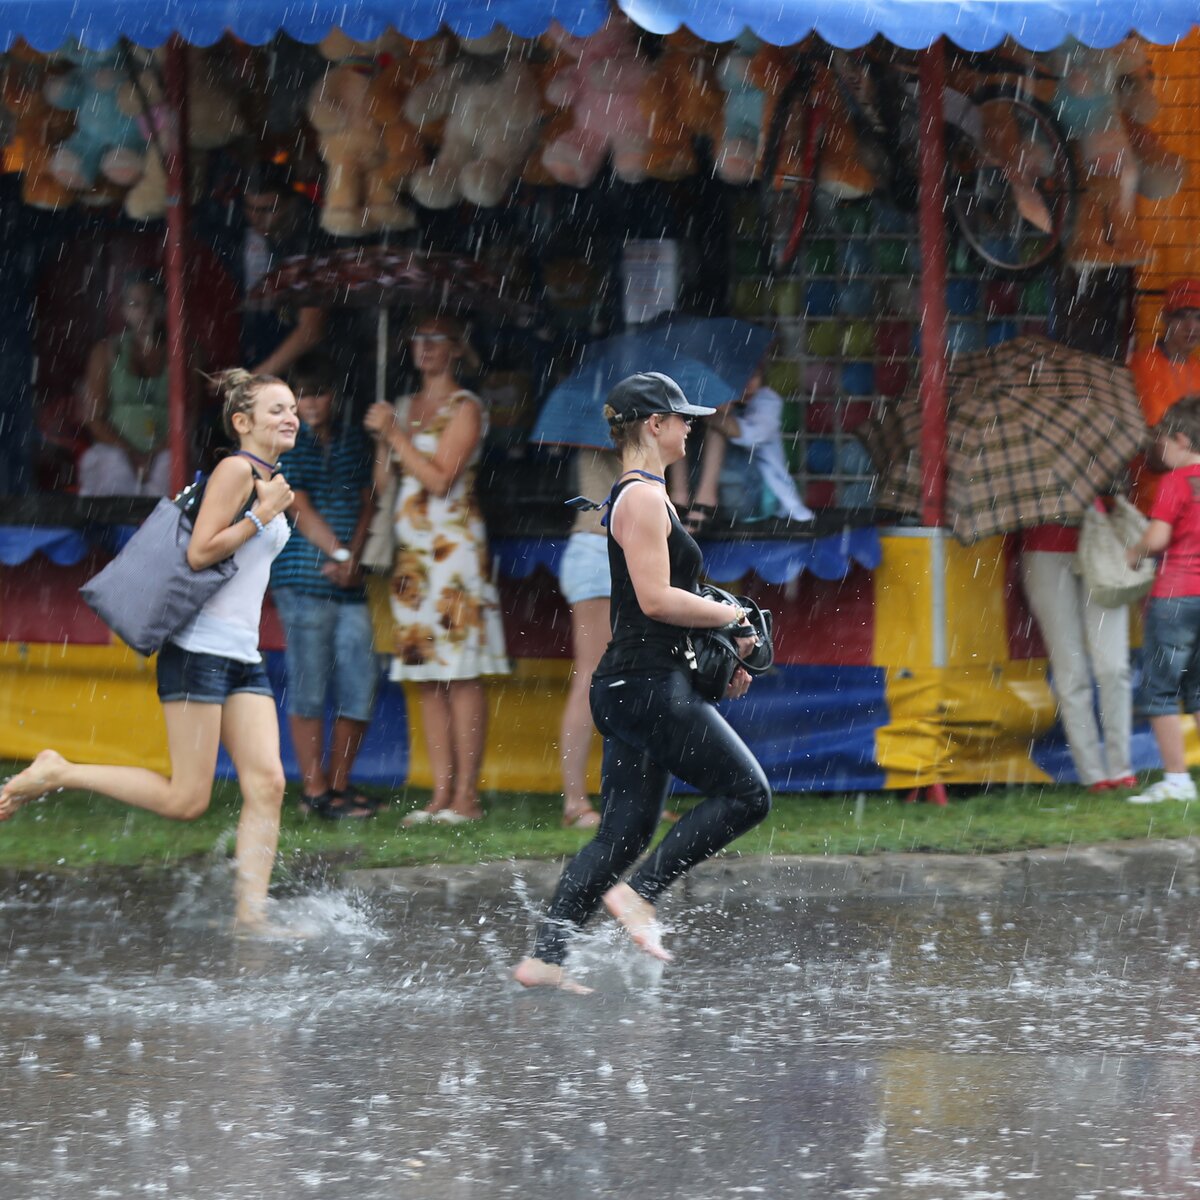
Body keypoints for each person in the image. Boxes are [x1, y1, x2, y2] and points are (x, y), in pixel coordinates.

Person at [0, 370, 298, 932]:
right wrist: (262, 515)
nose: (291, 418)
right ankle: (59, 771)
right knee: (187, 800)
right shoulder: (238, 471)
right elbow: (200, 554)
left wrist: (269, 508)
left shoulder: (270, 477)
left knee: (269, 784)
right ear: (243, 422)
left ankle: (251, 916)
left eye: (293, 409)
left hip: (242, 654)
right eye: (277, 410)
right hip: (198, 651)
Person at [514, 372, 772, 992]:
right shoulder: (640, 498)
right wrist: (733, 617)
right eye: (683, 417)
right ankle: (641, 895)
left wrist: (720, 649)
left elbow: (656, 604)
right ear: (654, 425)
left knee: (623, 830)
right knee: (747, 795)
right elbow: (657, 600)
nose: (691, 426)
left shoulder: (640, 495)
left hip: (636, 685)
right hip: (646, 686)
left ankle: (545, 958)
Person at [364, 315, 509, 825]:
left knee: (462, 672)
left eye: (434, 340)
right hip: (412, 555)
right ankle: (440, 794)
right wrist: (384, 439)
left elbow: (441, 479)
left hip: (455, 554)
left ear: (454, 348)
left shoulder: (465, 407)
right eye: (417, 338)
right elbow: (388, 488)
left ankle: (466, 796)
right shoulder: (402, 407)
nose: (423, 347)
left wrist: (397, 438)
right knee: (426, 674)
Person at [271, 351, 380, 821]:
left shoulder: (356, 441)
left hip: (349, 581)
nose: (310, 402)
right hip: (301, 578)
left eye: (318, 393)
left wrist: (353, 559)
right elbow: (298, 507)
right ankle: (314, 790)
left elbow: (367, 504)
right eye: (302, 394)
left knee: (361, 682)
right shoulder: (287, 444)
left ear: (334, 397)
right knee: (309, 684)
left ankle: (338, 785)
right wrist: (339, 554)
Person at [1017, 510, 1136, 792]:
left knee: (1114, 667)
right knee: (1071, 671)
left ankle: (1121, 768)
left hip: (1100, 540)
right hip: (1042, 550)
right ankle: (1092, 774)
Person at [1126, 396, 1200, 804]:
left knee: (1160, 691)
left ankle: (1177, 779)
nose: (1160, 451)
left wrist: (1133, 553)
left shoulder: (1176, 481)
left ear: (1183, 439)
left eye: (1163, 442)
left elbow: (1158, 538)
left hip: (1175, 597)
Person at [209, 161, 329, 379]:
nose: (256, 217)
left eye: (268, 209)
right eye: (251, 208)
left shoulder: (312, 237)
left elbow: (310, 330)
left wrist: (253, 379)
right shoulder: (234, 224)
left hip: (302, 365)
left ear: (292, 203)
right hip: (248, 342)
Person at [557, 449, 622, 830]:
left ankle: (629, 797)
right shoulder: (611, 418)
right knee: (592, 677)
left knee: (633, 678)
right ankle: (575, 801)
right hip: (600, 548)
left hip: (616, 550)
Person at [667, 366, 812, 534]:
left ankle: (705, 500)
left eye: (755, 376)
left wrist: (713, 410)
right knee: (677, 424)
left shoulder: (767, 401)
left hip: (753, 498)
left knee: (719, 428)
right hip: (712, 493)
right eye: (742, 377)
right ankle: (680, 497)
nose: (749, 384)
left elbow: (750, 436)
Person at [77, 271, 173, 497]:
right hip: (116, 450)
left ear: (164, 307)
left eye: (152, 303)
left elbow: (189, 418)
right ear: (123, 310)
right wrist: (131, 454)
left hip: (167, 451)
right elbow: (94, 419)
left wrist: (155, 455)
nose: (144, 311)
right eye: (135, 304)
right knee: (113, 471)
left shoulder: (184, 352)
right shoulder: (105, 352)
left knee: (170, 469)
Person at [1130, 279, 1200, 512]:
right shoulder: (1143, 365)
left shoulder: (1197, 368)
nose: (1192, 326)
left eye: (1199, 317)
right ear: (1166, 318)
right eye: (1183, 315)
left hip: (1191, 510)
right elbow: (1157, 447)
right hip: (1153, 505)